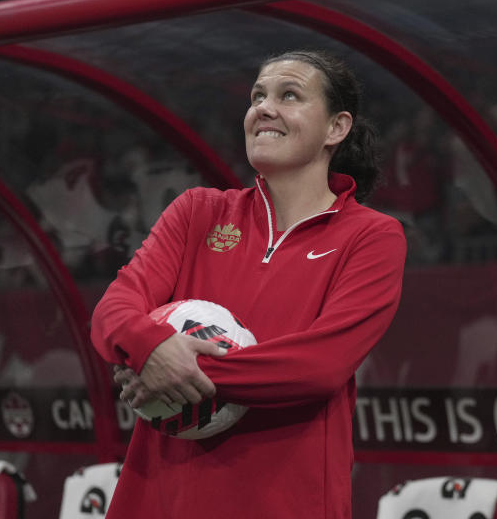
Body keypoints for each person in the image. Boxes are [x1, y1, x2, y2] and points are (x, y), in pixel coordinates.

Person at [89, 50, 407, 518]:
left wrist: (166, 365)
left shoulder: (372, 236)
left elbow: (319, 366)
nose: (264, 108)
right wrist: (149, 346)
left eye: (289, 95)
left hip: (284, 502)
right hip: (160, 498)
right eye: (257, 95)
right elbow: (114, 309)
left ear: (336, 128)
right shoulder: (198, 211)